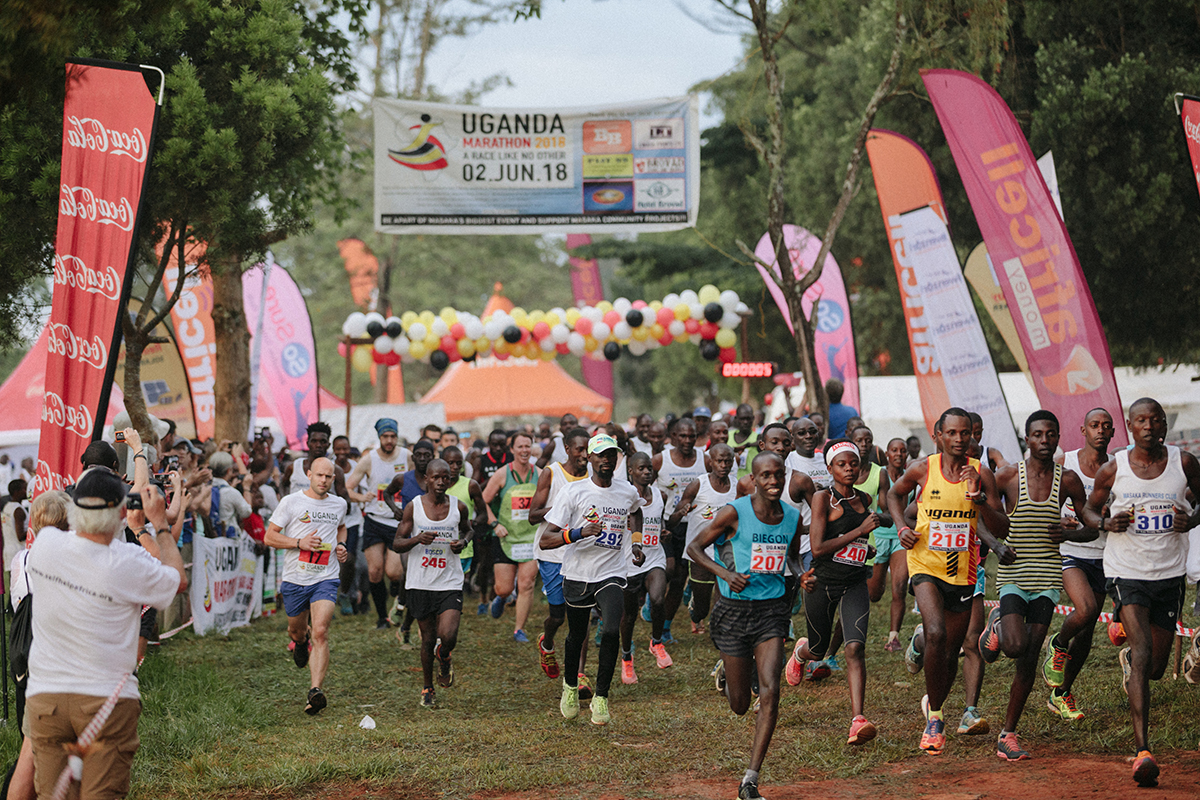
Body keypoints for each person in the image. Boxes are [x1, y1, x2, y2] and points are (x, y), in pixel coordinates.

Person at [26, 468, 185, 800]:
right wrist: (158, 525)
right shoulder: (126, 561)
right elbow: (176, 579)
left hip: (45, 699)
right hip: (105, 701)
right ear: (119, 512)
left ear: (74, 510)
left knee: (52, 795)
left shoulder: (44, 547)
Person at [1080, 397, 1200, 787]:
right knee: (1146, 651)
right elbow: (1088, 510)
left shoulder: (1184, 464)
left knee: (1155, 667)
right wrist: (1106, 523)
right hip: (1126, 572)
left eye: (1156, 420)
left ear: (1165, 425)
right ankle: (1144, 750)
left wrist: (1191, 519)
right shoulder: (1115, 468)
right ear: (1130, 427)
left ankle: (1131, 656)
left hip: (1168, 574)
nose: (1149, 426)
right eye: (1141, 421)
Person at [886, 407, 1013, 755]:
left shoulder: (982, 474)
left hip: (963, 572)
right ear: (938, 435)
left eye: (965, 434)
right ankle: (936, 719)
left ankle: (935, 701)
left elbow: (1001, 526)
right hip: (925, 564)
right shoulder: (922, 469)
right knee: (937, 633)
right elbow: (894, 496)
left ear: (973, 437)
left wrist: (981, 501)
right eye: (952, 433)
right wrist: (901, 528)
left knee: (950, 652)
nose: (959, 440)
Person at [689, 452, 804, 800]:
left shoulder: (793, 517)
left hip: (771, 610)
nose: (772, 481)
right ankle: (728, 671)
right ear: (753, 479)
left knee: (770, 692)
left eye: (778, 475)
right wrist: (726, 574)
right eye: (765, 475)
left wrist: (803, 575)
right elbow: (695, 548)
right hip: (733, 610)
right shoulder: (734, 512)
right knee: (739, 704)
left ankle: (750, 780)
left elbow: (794, 558)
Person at [978, 411, 1088, 760]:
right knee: (1013, 646)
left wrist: (1072, 531)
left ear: (1058, 438)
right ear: (1027, 439)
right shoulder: (1008, 475)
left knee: (1027, 657)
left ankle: (1007, 734)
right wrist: (996, 543)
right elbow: (985, 519)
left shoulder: (1068, 480)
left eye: (1051, 435)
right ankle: (996, 626)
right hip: (1013, 573)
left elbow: (1092, 526)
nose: (1044, 440)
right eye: (1038, 434)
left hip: (1047, 577)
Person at [539, 433, 644, 726]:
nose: (608, 460)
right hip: (577, 573)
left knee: (611, 629)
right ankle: (570, 687)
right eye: (602, 455)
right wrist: (577, 533)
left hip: (611, 572)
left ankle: (601, 697)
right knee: (576, 635)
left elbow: (636, 512)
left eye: (612, 455)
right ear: (589, 458)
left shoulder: (626, 491)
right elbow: (546, 540)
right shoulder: (573, 493)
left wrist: (635, 543)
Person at [787, 439, 886, 745]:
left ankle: (858, 719)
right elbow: (817, 549)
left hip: (854, 581)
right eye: (841, 465)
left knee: (855, 648)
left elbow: (853, 538)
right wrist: (859, 533)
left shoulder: (864, 499)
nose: (848, 469)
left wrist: (862, 546)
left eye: (853, 463)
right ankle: (801, 653)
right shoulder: (821, 499)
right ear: (829, 468)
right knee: (818, 650)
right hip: (823, 582)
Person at [1043, 407, 1114, 719]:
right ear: (1083, 430)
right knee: (1085, 610)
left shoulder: (1117, 468)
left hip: (1104, 553)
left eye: (1106, 426)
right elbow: (1047, 504)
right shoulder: (1066, 463)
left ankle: (1061, 693)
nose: (1100, 430)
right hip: (1071, 551)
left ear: (1113, 432)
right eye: (1094, 425)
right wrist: (1059, 524)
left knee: (1086, 632)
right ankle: (1057, 645)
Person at [263, 457, 349, 714]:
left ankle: (315, 691)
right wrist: (298, 542)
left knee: (321, 631)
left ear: (333, 479)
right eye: (319, 475)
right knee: (297, 631)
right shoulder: (291, 502)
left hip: (326, 577)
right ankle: (301, 643)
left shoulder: (339, 504)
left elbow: (341, 528)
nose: (324, 481)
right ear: (309, 474)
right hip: (295, 579)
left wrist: (342, 545)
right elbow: (269, 536)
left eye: (329, 477)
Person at [393, 459, 473, 708]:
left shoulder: (458, 507)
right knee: (428, 638)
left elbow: (468, 530)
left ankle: (445, 656)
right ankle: (427, 687)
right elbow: (397, 543)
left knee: (448, 635)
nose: (440, 482)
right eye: (435, 477)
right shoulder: (413, 507)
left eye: (445, 478)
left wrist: (463, 542)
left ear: (451, 480)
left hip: (449, 580)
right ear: (426, 479)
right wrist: (417, 539)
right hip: (420, 582)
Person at [530, 427, 592, 683]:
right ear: (567, 449)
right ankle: (547, 642)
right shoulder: (551, 473)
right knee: (558, 615)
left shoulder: (594, 477)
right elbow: (533, 516)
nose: (585, 455)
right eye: (579, 449)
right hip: (553, 553)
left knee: (582, 615)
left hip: (582, 553)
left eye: (588, 450)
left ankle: (579, 674)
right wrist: (562, 507)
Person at [344, 418, 412, 630]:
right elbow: (346, 488)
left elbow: (419, 479)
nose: (389, 440)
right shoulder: (368, 459)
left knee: (393, 572)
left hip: (397, 522)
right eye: (385, 436)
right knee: (375, 571)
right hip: (374, 520)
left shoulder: (406, 456)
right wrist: (359, 498)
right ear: (379, 437)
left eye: (393, 436)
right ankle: (382, 617)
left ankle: (394, 587)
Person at [668, 443, 735, 634]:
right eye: (719, 461)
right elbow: (673, 520)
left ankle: (721, 634)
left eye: (727, 461)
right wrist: (681, 512)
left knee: (724, 598)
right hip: (700, 553)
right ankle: (696, 612)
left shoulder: (737, 486)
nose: (723, 465)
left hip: (726, 550)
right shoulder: (699, 484)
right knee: (702, 608)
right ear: (710, 462)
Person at [654, 418, 711, 643]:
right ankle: (652, 602)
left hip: (696, 526)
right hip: (668, 525)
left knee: (679, 579)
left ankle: (665, 628)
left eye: (692, 436)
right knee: (669, 570)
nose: (687, 440)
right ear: (673, 436)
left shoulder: (704, 461)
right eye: (683, 436)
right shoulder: (660, 460)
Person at [482, 432, 541, 641]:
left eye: (528, 446)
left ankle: (519, 629)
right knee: (505, 588)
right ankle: (501, 597)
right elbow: (483, 502)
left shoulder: (540, 474)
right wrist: (495, 524)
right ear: (512, 450)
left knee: (526, 584)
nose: (524, 450)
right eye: (520, 447)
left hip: (530, 538)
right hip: (506, 538)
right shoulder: (501, 475)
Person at [619, 451, 673, 681]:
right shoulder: (622, 497)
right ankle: (626, 658)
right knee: (629, 615)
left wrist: (663, 532)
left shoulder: (660, 495)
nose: (646, 471)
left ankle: (657, 642)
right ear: (630, 471)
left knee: (658, 599)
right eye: (641, 468)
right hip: (629, 562)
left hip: (653, 557)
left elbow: (659, 521)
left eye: (649, 468)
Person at [870, 438, 910, 652]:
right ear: (887, 453)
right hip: (878, 537)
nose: (899, 454)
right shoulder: (879, 475)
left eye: (903, 451)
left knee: (899, 587)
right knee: (874, 594)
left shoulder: (911, 477)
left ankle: (894, 637)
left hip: (900, 537)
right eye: (894, 450)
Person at [332, 435, 364, 615]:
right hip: (330, 521)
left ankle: (344, 593)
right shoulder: (328, 467)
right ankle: (328, 597)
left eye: (345, 449)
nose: (342, 452)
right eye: (339, 449)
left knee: (349, 560)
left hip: (351, 521)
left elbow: (359, 491)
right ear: (333, 449)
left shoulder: (356, 469)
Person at [2, 478, 28, 591]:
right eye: (25, 488)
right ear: (17, 492)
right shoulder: (18, 510)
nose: (27, 491)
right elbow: (20, 535)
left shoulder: (7, 507)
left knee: (11, 587)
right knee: (18, 587)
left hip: (8, 550)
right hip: (18, 551)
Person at [729, 404, 759, 480]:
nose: (745, 422)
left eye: (748, 419)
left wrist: (748, 445)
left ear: (753, 419)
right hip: (730, 484)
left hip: (750, 485)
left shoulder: (758, 439)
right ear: (736, 419)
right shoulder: (728, 436)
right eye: (742, 419)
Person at [825, 380, 858, 447]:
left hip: (829, 448)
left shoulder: (821, 413)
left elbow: (798, 418)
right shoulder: (852, 411)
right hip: (848, 447)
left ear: (826, 393)